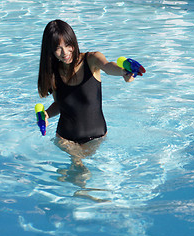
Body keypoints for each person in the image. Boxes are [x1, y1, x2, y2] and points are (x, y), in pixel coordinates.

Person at [37, 20, 141, 196]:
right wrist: (46, 114)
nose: (65, 52)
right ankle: (85, 192)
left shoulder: (91, 59)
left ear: (74, 41)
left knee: (82, 170)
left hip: (97, 137)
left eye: (68, 45)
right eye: (58, 48)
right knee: (80, 169)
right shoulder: (53, 74)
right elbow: (60, 104)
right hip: (66, 139)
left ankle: (76, 183)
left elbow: (109, 67)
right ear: (50, 50)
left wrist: (125, 71)